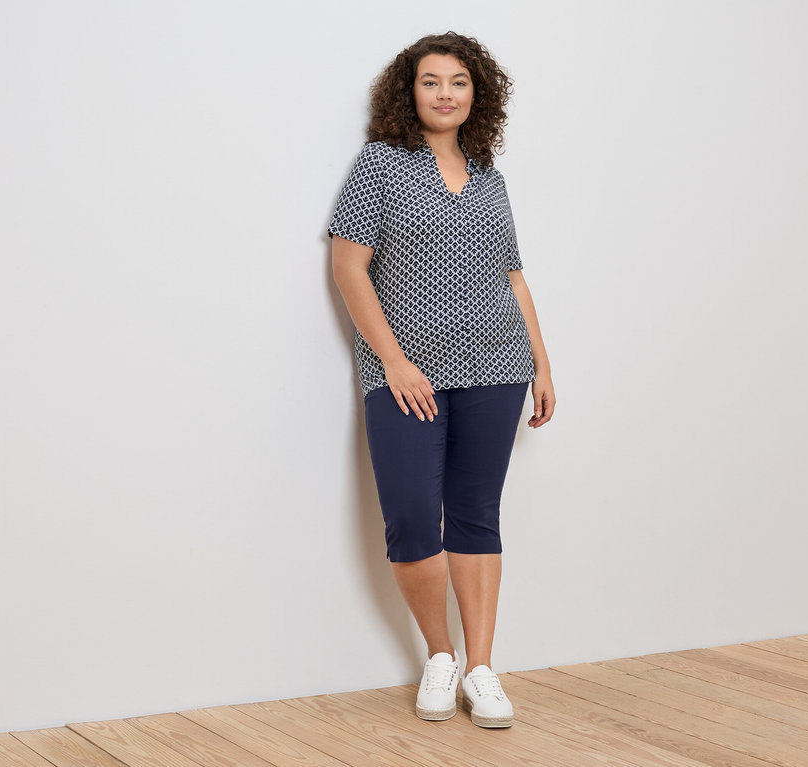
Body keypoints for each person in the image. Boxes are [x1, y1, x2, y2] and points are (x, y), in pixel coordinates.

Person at [328, 31, 554, 729]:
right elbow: (347, 266)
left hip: (497, 365)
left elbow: (511, 274)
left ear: (476, 93)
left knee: (477, 515)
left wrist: (542, 362)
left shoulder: (489, 171)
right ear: (410, 90)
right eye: (432, 81)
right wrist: (393, 360)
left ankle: (482, 667)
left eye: (459, 81)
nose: (446, 93)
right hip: (405, 376)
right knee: (410, 519)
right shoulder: (380, 165)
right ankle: (440, 654)